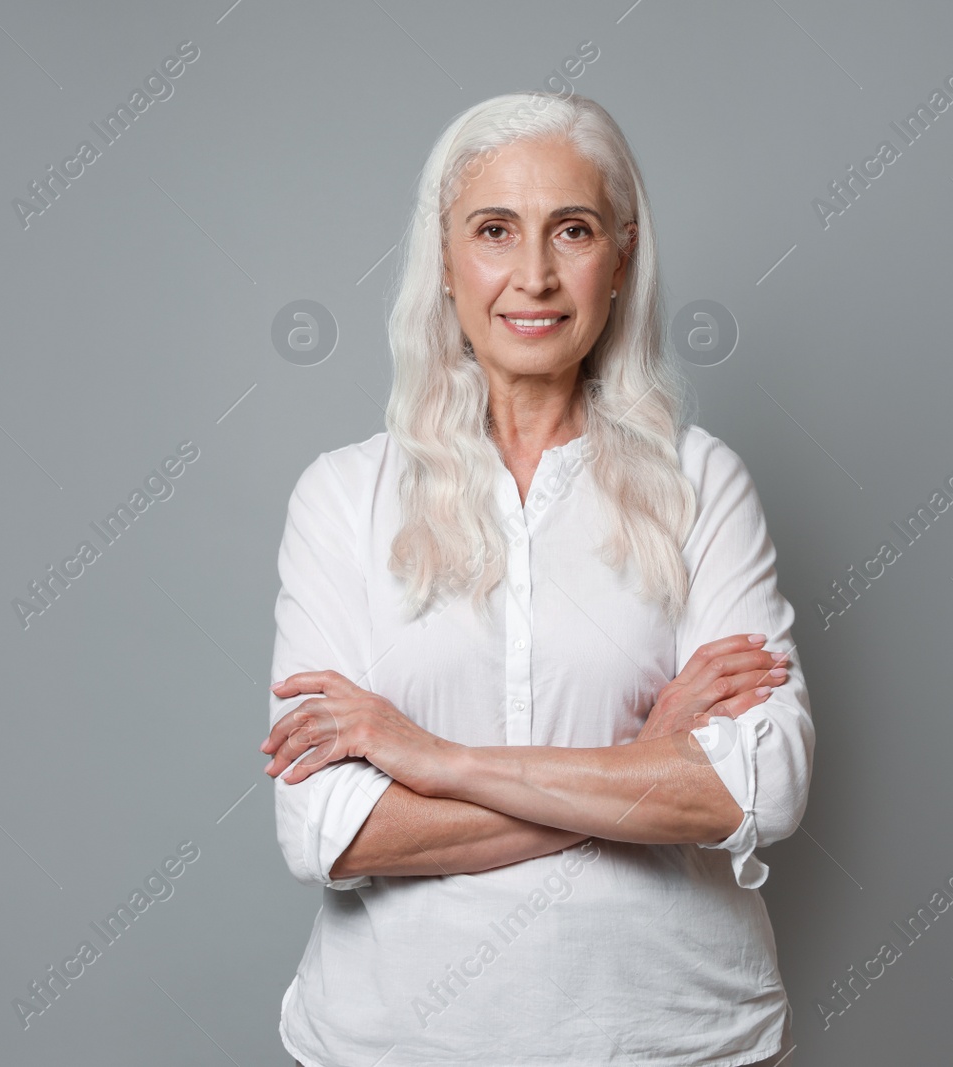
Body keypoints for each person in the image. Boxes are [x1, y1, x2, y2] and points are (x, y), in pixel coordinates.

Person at [262, 90, 814, 1067]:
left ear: (622, 257)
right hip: (393, 1042)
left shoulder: (701, 484)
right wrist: (641, 761)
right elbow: (329, 832)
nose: (533, 275)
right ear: (443, 258)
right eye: (493, 230)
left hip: (674, 1035)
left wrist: (432, 758)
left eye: (571, 229)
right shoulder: (342, 495)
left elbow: (757, 789)